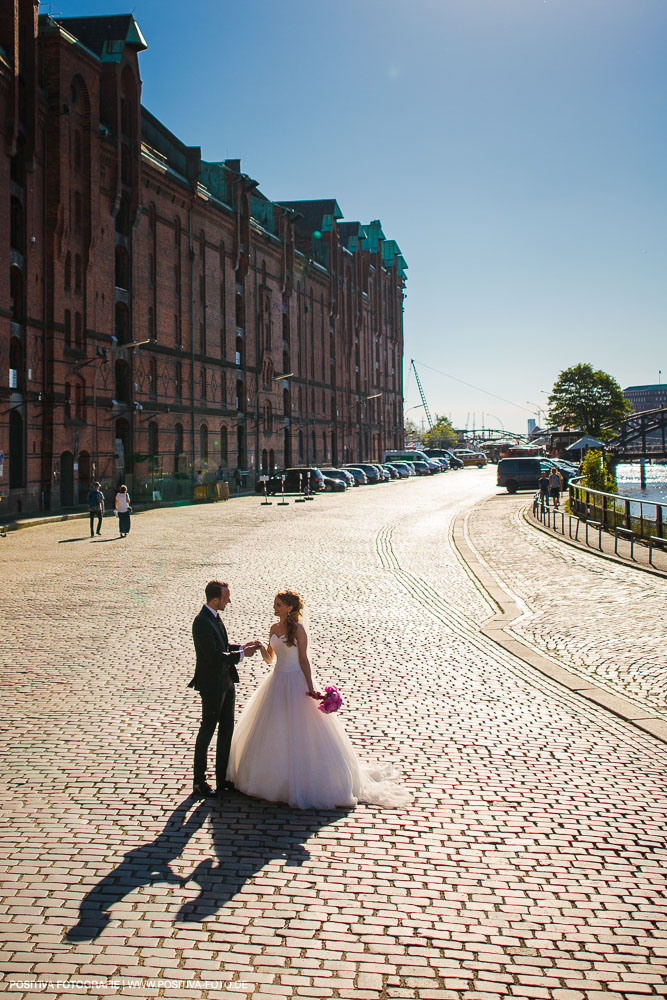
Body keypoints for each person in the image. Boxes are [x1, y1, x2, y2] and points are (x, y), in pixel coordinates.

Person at [227, 589, 411, 810]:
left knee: (300, 731)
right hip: (276, 680)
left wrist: (311, 686)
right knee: (273, 728)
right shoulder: (274, 628)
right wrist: (259, 649)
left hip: (295, 680)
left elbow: (304, 660)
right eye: (274, 604)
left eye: (278, 605)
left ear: (290, 608)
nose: (274, 608)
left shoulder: (299, 631)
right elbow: (270, 659)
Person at [188, 581, 260, 799]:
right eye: (226, 597)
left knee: (227, 729)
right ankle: (199, 781)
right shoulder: (201, 622)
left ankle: (222, 779)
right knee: (207, 730)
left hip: (226, 682)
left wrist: (240, 648)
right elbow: (212, 656)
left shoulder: (214, 618)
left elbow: (221, 647)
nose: (229, 600)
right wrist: (240, 656)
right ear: (215, 599)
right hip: (211, 684)